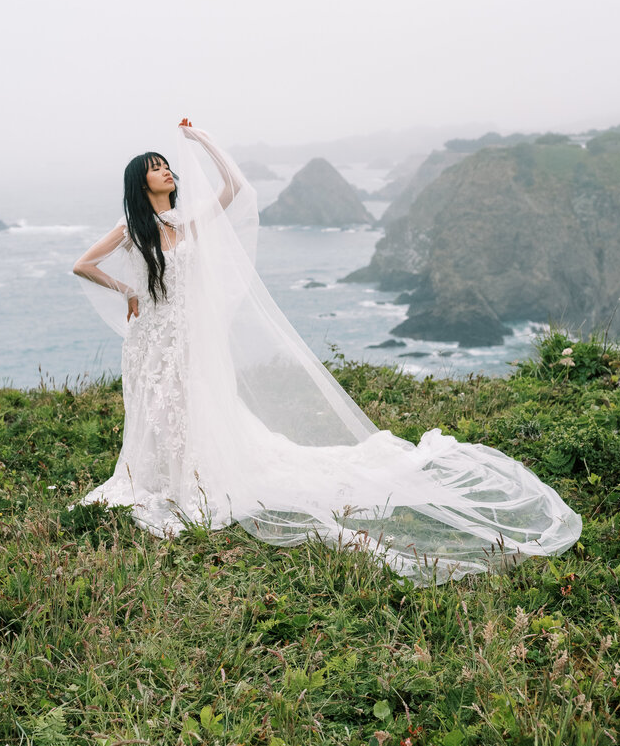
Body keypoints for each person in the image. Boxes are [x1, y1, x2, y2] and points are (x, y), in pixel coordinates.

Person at [73, 119, 581, 584]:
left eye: (166, 166)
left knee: (192, 406)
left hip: (186, 337)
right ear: (142, 183)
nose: (166, 173)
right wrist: (129, 292)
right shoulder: (131, 229)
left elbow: (234, 189)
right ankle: (157, 482)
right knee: (156, 410)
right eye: (156, 169)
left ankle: (191, 481)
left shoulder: (188, 225)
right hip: (152, 339)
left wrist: (202, 141)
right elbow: (83, 265)